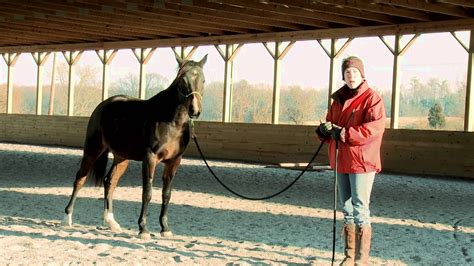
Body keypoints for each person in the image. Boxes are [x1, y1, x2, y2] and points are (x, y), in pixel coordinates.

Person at [315, 56, 386, 266]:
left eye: (354, 72)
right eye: (347, 73)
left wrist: (345, 133)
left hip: (362, 162)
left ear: (362, 74)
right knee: (346, 209)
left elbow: (374, 129)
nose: (351, 76)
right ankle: (349, 255)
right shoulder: (337, 101)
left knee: (360, 208)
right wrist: (323, 131)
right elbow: (331, 124)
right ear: (343, 76)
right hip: (341, 160)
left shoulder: (372, 99)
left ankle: (361, 259)